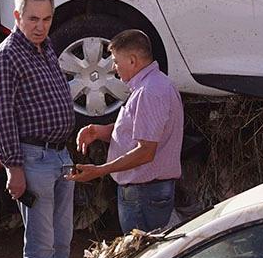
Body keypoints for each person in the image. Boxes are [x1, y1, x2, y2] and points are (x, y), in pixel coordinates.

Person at [0, 0, 76, 258]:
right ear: (17, 16)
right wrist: (13, 168)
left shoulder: (47, 47)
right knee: (42, 243)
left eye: (47, 19)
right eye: (33, 19)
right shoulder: (7, 56)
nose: (41, 27)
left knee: (63, 239)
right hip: (33, 157)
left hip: (61, 154)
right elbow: (2, 115)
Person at [67, 29, 183, 233]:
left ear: (132, 60)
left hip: (144, 193)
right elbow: (141, 131)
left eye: (116, 60)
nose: (114, 67)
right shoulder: (154, 85)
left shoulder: (150, 91)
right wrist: (101, 131)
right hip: (146, 192)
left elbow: (146, 151)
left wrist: (101, 170)